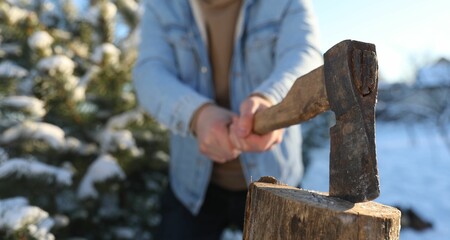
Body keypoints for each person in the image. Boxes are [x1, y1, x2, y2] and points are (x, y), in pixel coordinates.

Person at [133, 0, 323, 239]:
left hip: (277, 181)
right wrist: (197, 114)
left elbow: (305, 53)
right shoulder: (162, 6)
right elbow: (149, 72)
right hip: (190, 186)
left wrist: (272, 99)